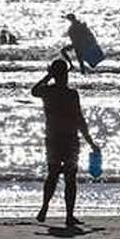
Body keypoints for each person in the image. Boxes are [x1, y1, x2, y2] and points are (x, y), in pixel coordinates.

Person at [31, 58, 99, 229]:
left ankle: (45, 207)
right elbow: (79, 120)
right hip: (69, 139)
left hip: (53, 138)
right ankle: (68, 215)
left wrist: (48, 76)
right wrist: (90, 142)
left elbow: (34, 91)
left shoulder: (48, 92)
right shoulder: (71, 94)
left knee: (52, 174)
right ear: (66, 76)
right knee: (70, 178)